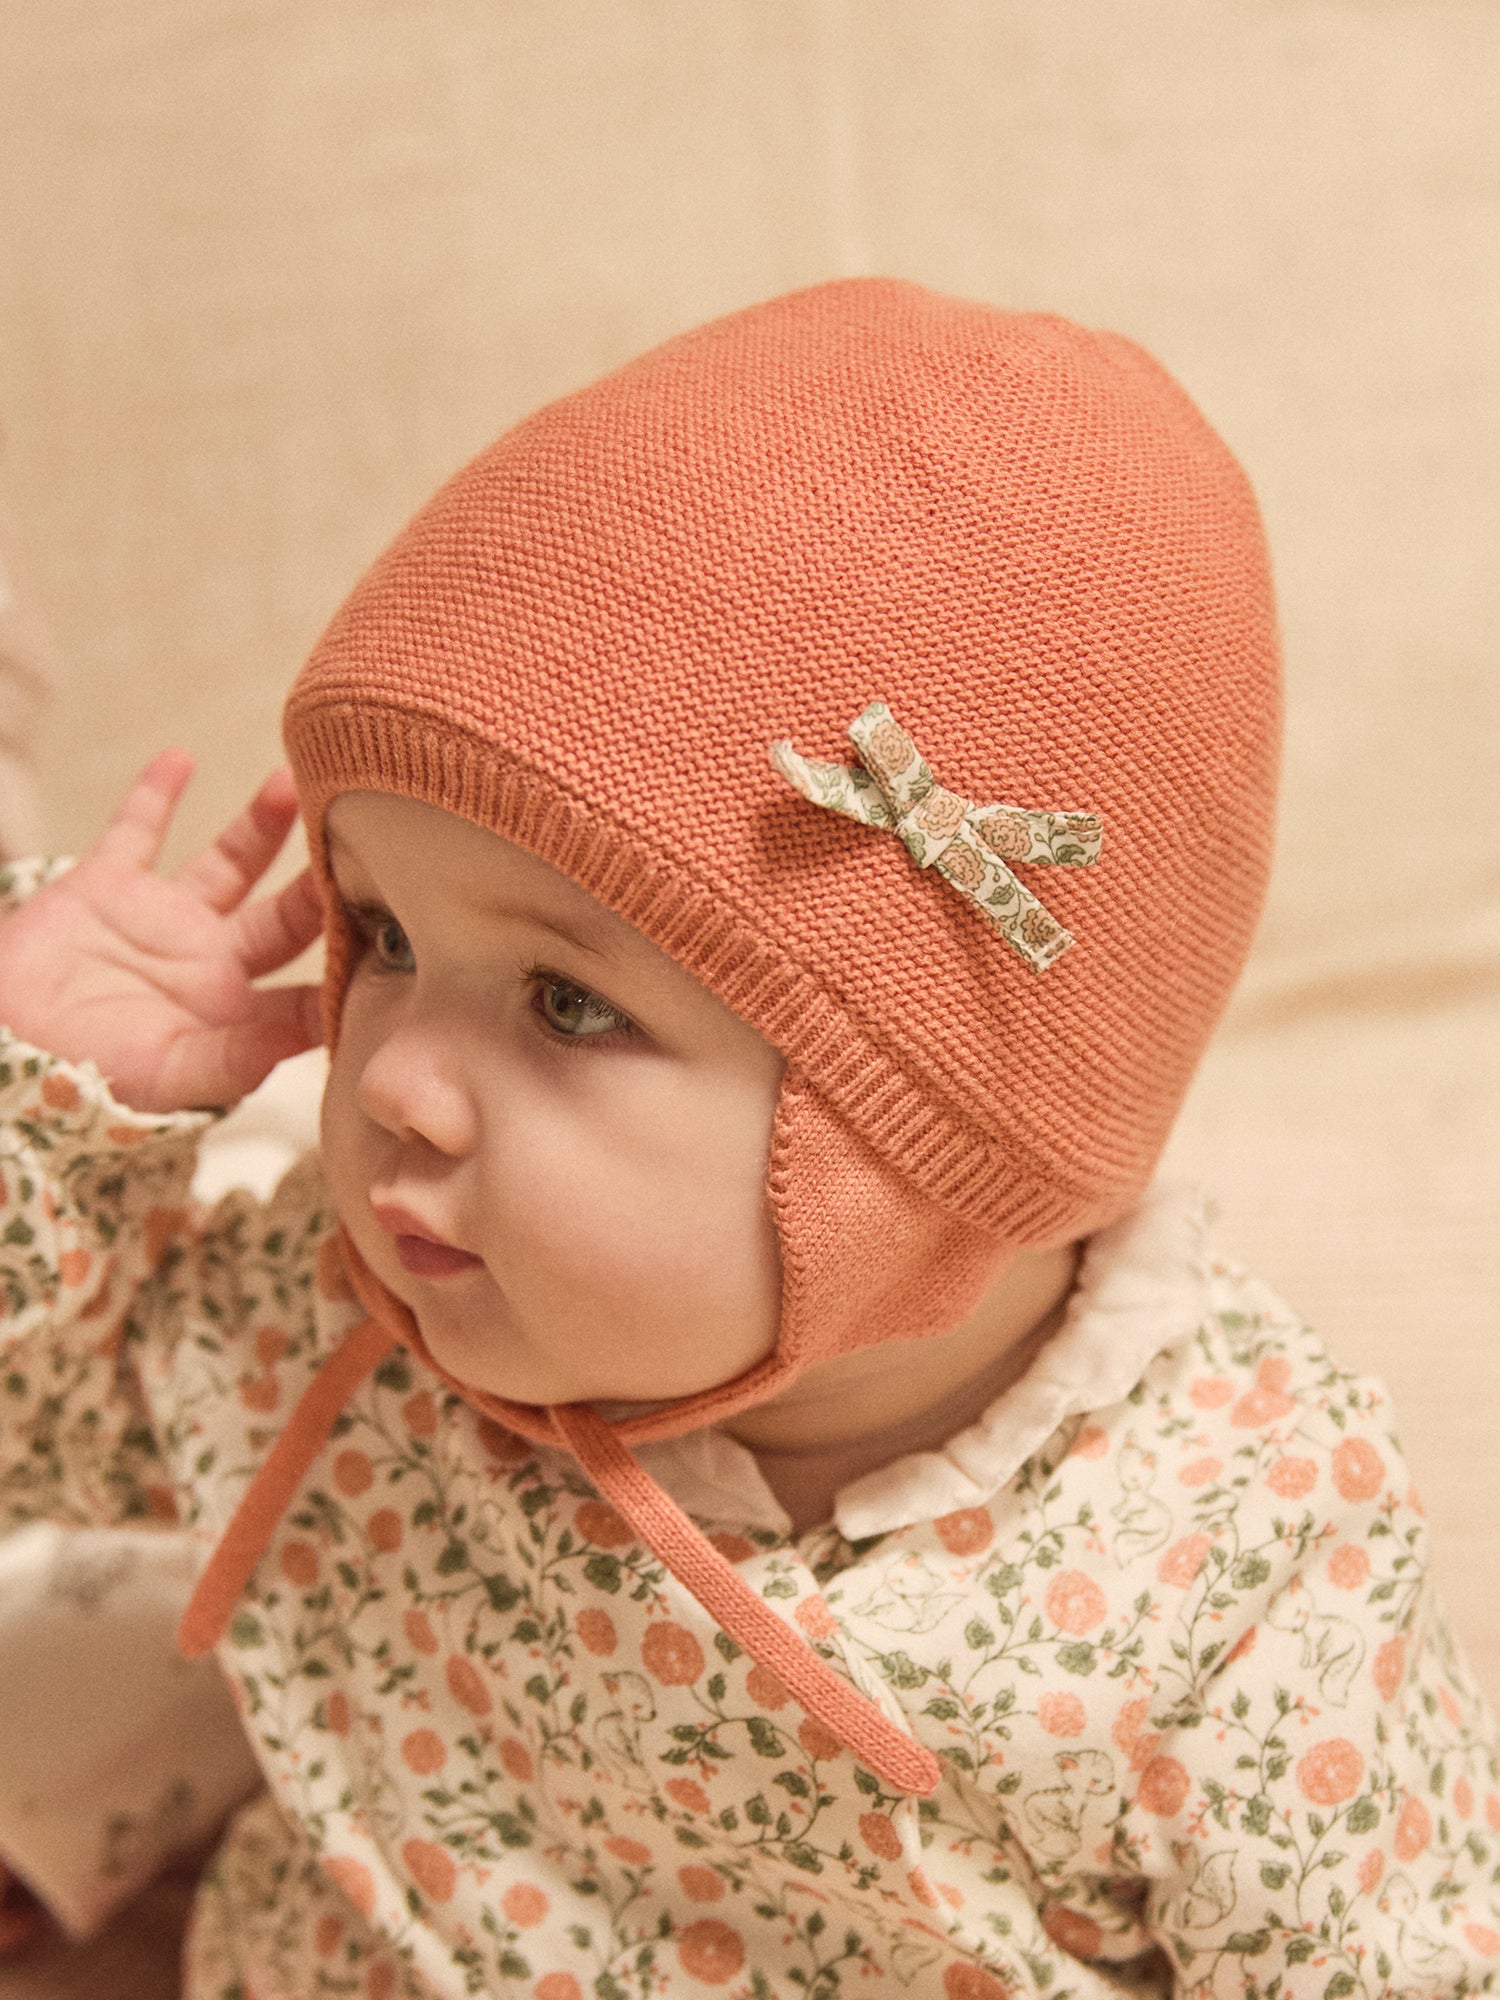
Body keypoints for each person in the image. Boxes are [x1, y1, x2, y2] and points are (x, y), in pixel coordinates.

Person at [0, 279, 1495, 1998]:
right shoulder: (347, 1326)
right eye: (385, 937)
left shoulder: (1237, 1557)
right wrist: (53, 1113)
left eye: (568, 1005)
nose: (395, 1073)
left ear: (934, 1151)